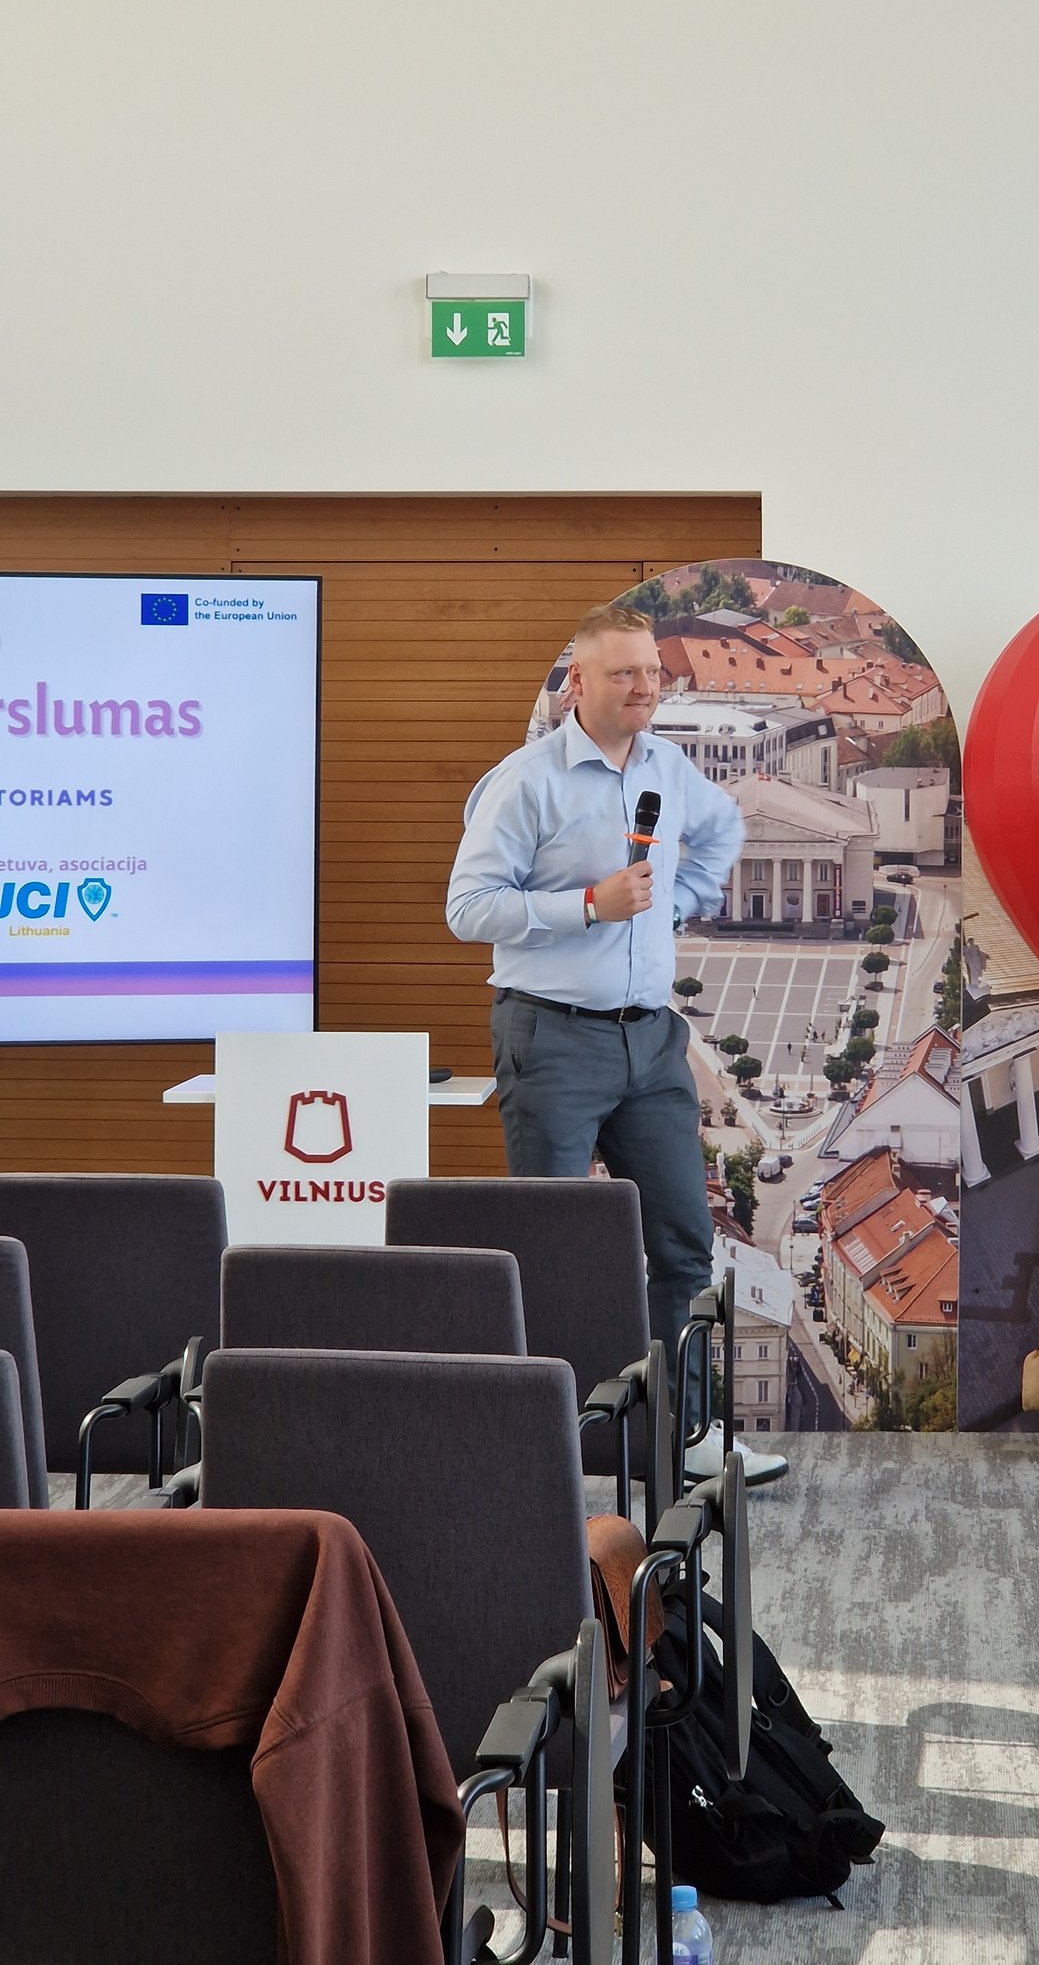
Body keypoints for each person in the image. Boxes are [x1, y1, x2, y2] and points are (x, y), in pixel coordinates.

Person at [446, 602, 786, 1484]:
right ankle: (552, 1444)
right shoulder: (526, 781)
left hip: (653, 1044)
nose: (644, 687)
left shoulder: (669, 767)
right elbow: (467, 908)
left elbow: (721, 830)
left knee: (683, 1243)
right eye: (624, 672)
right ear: (578, 682)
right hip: (552, 1040)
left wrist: (676, 904)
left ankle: (688, 1433)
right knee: (556, 1250)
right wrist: (589, 906)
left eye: (653, 672)